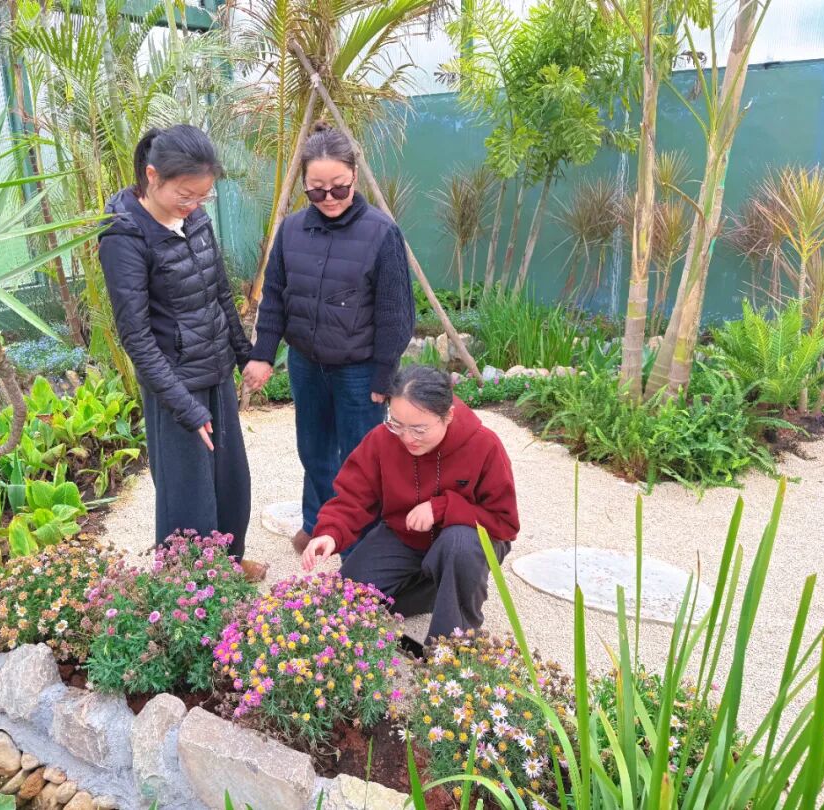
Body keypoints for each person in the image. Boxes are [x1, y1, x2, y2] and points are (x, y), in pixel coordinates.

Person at [98, 125, 267, 581]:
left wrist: (244, 355)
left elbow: (218, 294)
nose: (193, 205)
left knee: (230, 480)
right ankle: (188, 588)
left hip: (214, 369)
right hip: (173, 384)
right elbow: (136, 337)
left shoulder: (194, 218)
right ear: (153, 176)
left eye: (202, 196)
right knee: (187, 492)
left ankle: (228, 564)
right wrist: (187, 409)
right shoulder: (124, 235)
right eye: (185, 195)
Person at [242, 122, 416, 556]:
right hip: (306, 364)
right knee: (314, 450)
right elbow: (275, 297)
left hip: (359, 370)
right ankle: (317, 522)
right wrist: (263, 354)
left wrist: (384, 374)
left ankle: (359, 543)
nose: (329, 198)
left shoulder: (382, 233)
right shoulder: (291, 230)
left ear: (354, 176)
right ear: (304, 184)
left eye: (339, 187)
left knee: (361, 459)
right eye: (316, 191)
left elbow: (396, 313)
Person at [301, 365, 520, 642]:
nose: (406, 438)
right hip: (405, 536)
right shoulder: (382, 439)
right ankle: (438, 590)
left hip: (466, 543)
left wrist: (441, 508)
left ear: (448, 416)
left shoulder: (484, 445)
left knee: (459, 544)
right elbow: (352, 495)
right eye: (397, 424)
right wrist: (330, 532)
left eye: (419, 429)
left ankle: (449, 648)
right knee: (344, 602)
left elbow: (505, 523)